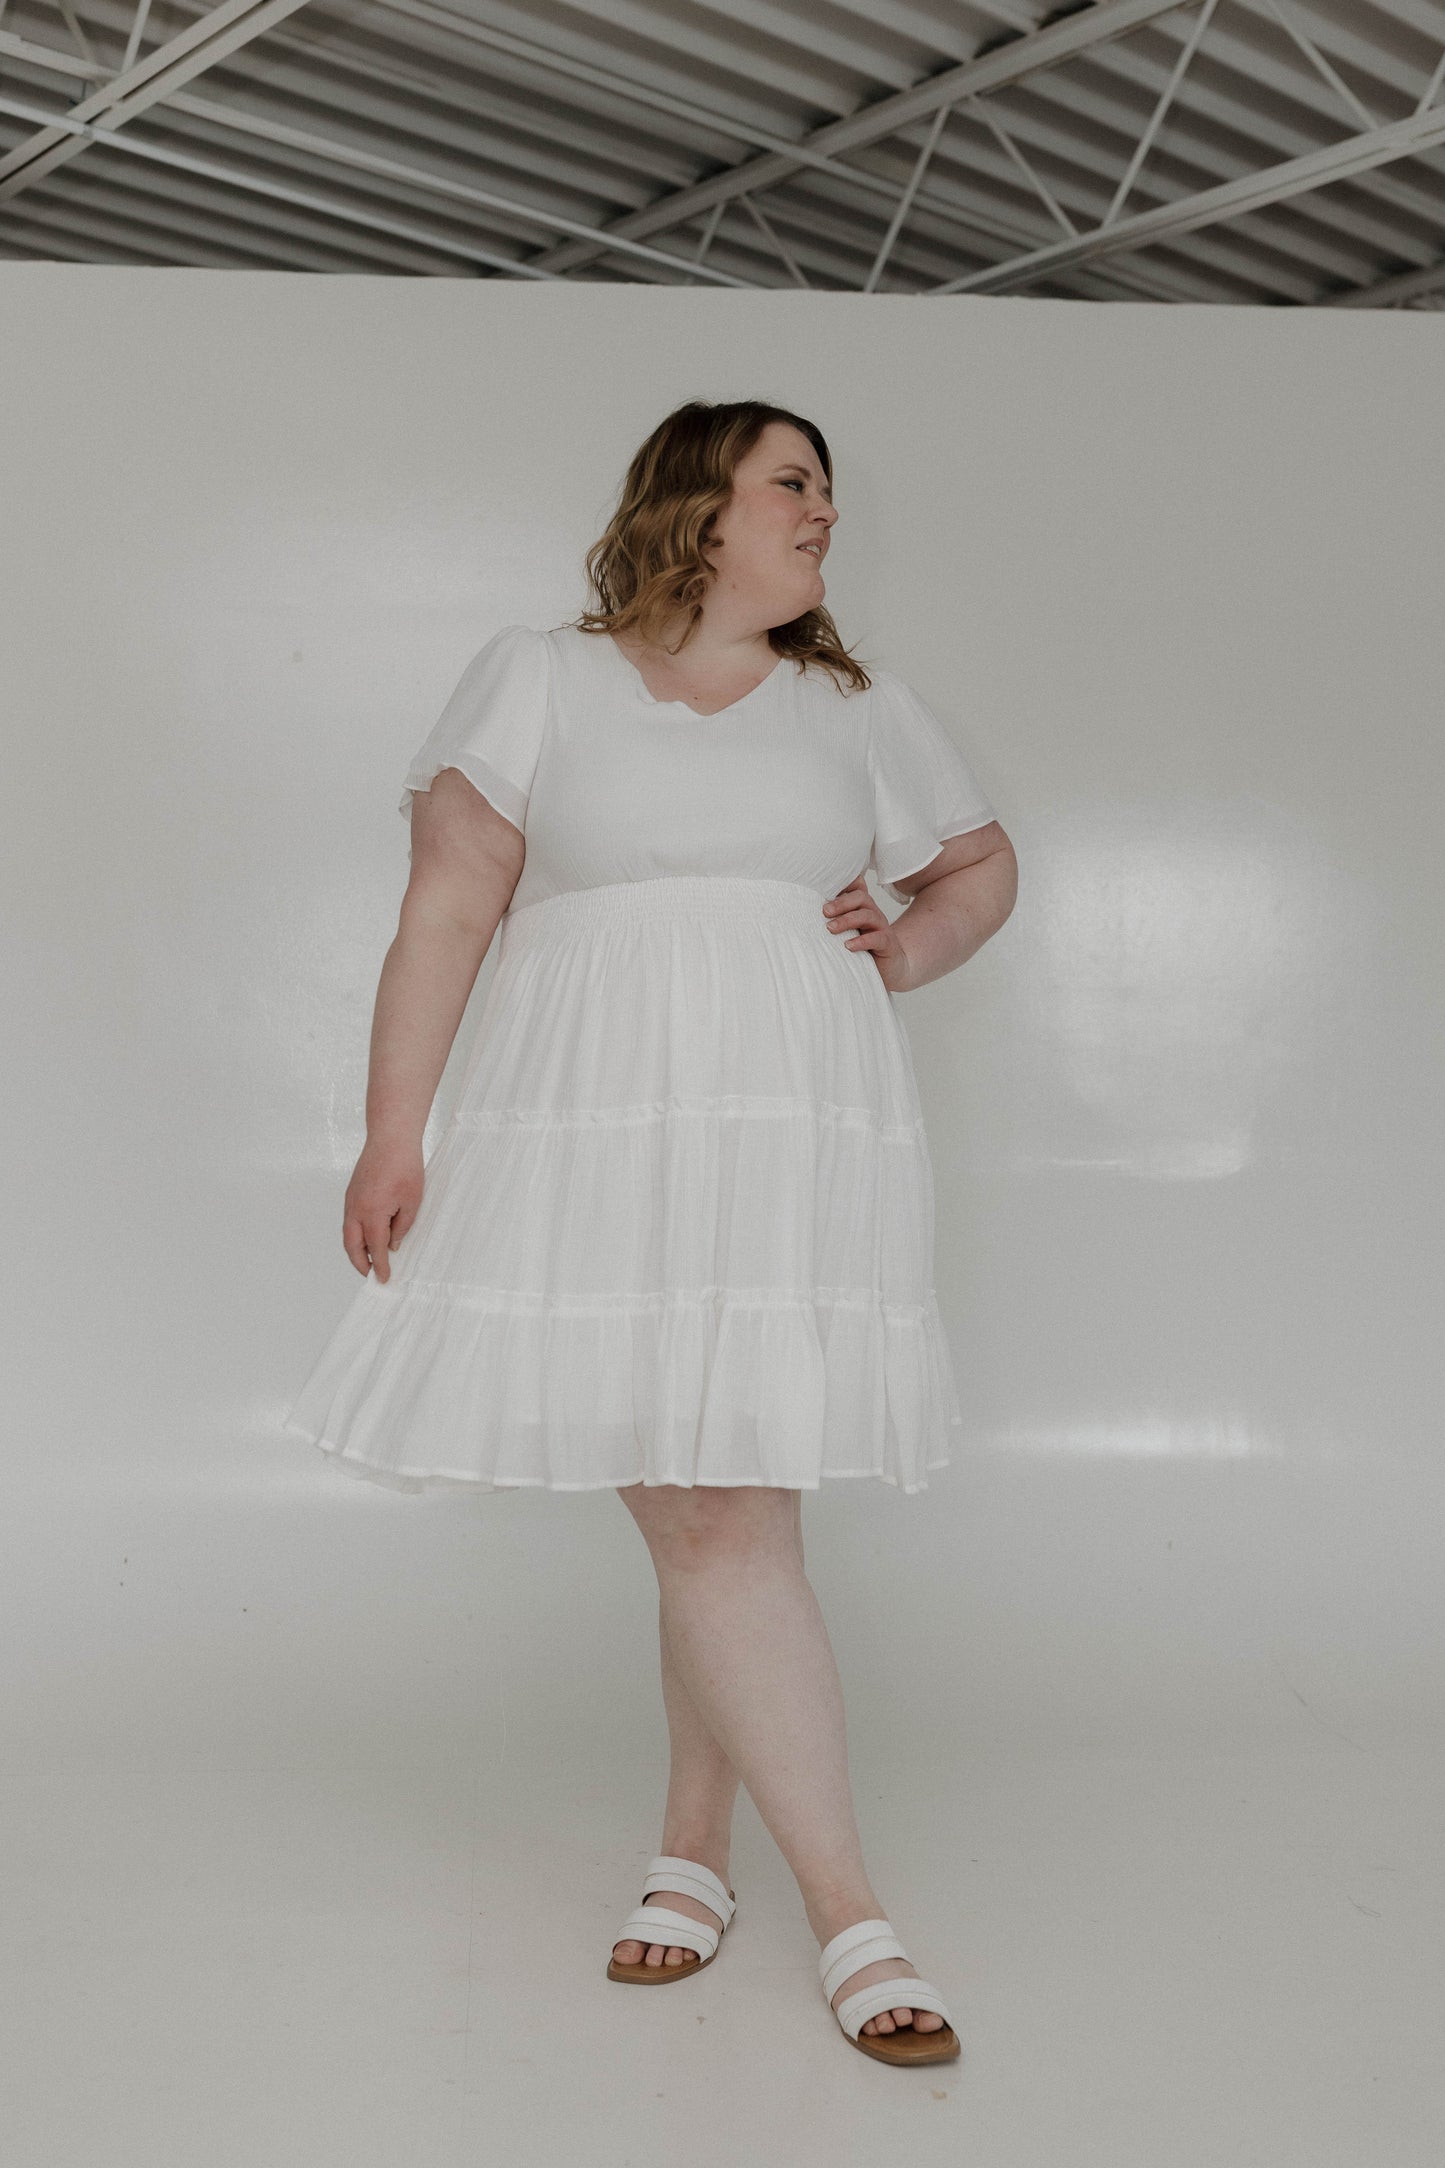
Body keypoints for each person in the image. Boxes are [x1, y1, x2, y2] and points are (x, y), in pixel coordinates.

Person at [283, 398, 1017, 2065]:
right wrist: (393, 1131)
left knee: (719, 1498)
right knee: (708, 1508)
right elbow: (449, 907)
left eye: (827, 489)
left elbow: (978, 868)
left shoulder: (859, 706)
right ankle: (811, 1892)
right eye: (792, 484)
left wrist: (903, 946)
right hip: (586, 1123)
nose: (824, 512)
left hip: (783, 1127)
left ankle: (735, 1870)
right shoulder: (538, 675)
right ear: (697, 506)